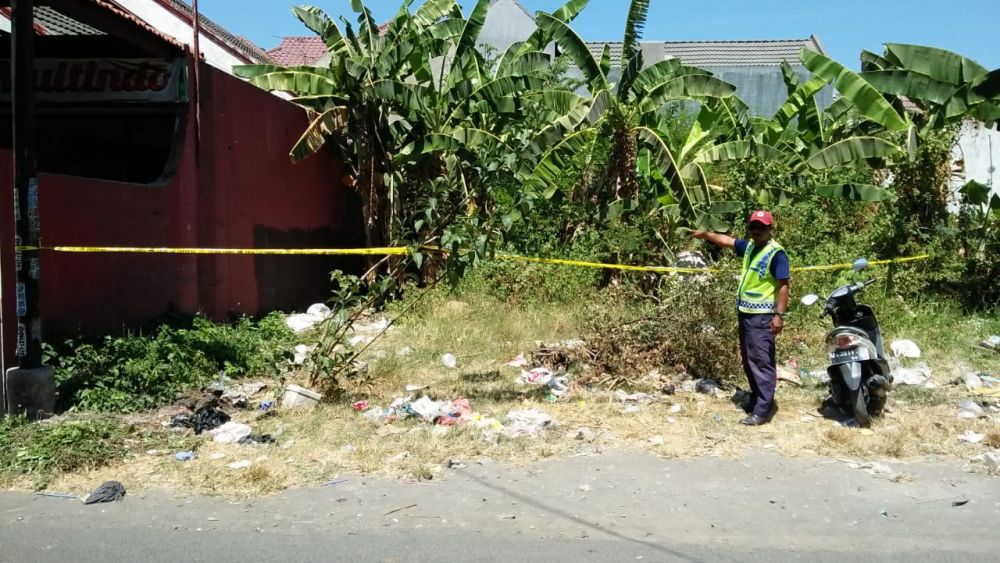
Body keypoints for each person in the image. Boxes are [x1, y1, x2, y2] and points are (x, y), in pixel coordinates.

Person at [692, 210, 790, 426]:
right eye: (754, 226)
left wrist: (779, 315)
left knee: (761, 362)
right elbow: (727, 241)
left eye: (762, 227)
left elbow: (784, 286)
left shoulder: (776, 254)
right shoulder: (749, 248)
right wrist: (705, 235)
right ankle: (757, 401)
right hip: (746, 314)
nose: (757, 231)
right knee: (749, 360)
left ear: (770, 229)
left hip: (763, 317)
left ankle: (763, 411)